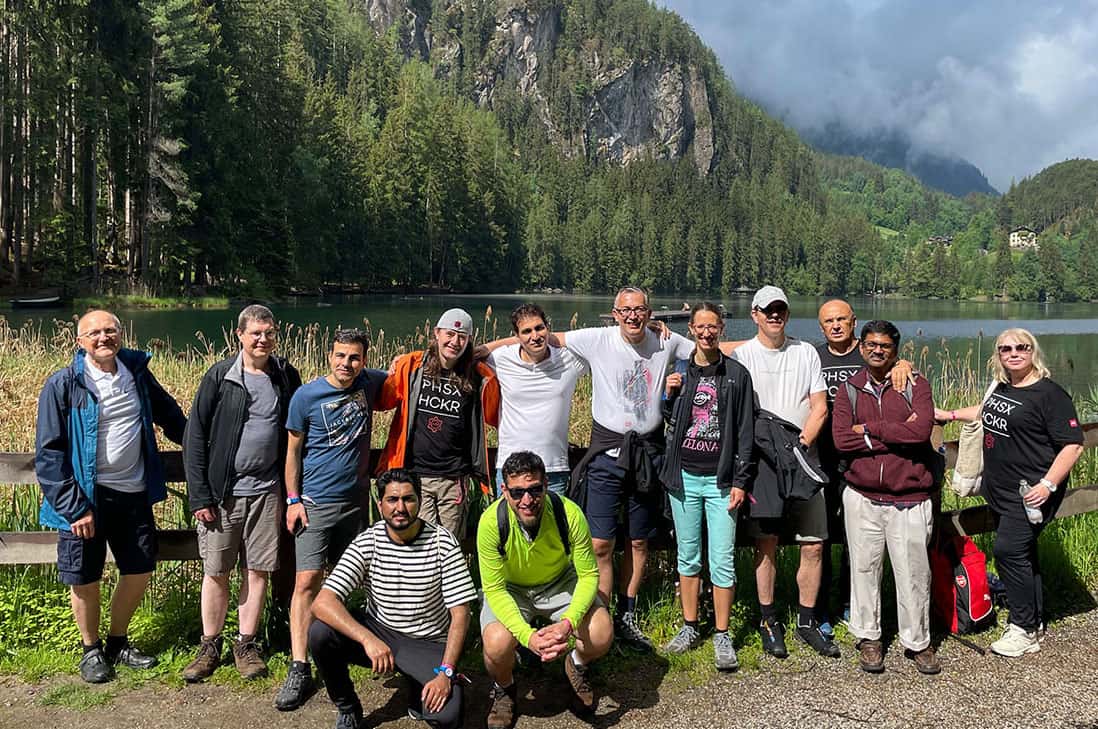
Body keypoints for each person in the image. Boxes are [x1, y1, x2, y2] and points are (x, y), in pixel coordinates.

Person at [35, 309, 186, 683]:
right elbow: (49, 454)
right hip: (86, 500)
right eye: (94, 333)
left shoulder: (136, 373)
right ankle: (91, 650)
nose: (103, 338)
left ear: (121, 334)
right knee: (84, 576)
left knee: (139, 569)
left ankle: (118, 641)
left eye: (110, 330)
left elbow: (169, 414)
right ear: (80, 341)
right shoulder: (64, 384)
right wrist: (74, 508)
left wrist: (204, 448)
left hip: (133, 491)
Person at [554, 286, 694, 649]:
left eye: (640, 310)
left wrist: (768, 345)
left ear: (650, 313)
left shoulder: (667, 342)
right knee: (600, 542)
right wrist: (483, 350)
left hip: (648, 452)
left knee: (639, 539)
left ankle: (627, 614)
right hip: (607, 453)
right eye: (626, 310)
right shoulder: (597, 340)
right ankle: (600, 615)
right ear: (615, 313)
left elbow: (710, 351)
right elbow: (543, 336)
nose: (633, 316)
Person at [936, 328, 1084, 657]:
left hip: (1032, 493)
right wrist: (950, 415)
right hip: (1001, 490)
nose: (1013, 353)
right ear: (998, 355)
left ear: (1034, 352)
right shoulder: (1003, 387)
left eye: (1021, 347)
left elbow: (1073, 446)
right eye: (1005, 349)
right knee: (1024, 554)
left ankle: (1023, 630)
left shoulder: (1050, 395)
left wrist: (1048, 485)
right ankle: (1035, 618)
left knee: (1008, 551)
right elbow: (987, 410)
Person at [181, 305, 302, 681]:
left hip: (267, 490)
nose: (263, 340)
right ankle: (209, 645)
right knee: (216, 571)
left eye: (269, 333)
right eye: (255, 333)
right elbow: (195, 437)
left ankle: (246, 644)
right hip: (223, 493)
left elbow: (298, 432)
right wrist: (200, 495)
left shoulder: (285, 376)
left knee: (258, 570)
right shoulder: (221, 377)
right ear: (240, 335)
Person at [309, 468, 477, 729]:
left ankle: (417, 680)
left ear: (419, 502)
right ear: (380, 505)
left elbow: (460, 613)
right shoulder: (368, 542)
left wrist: (446, 672)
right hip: (381, 631)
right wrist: (368, 639)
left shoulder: (442, 543)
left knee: (447, 716)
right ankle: (348, 707)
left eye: (408, 499)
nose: (401, 507)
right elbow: (322, 602)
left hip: (429, 641)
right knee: (320, 633)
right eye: (392, 500)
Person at [276, 329, 387, 711]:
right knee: (307, 579)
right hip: (314, 503)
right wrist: (293, 499)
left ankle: (357, 648)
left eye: (355, 358)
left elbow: (409, 374)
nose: (347, 364)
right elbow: (292, 452)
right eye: (340, 356)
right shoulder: (305, 397)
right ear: (329, 355)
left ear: (364, 361)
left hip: (355, 503)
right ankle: (299, 664)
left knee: (355, 579)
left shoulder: (370, 384)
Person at [730, 286, 839, 659]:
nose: (775, 315)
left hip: (802, 457)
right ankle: (767, 619)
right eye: (768, 310)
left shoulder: (805, 352)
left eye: (781, 310)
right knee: (767, 545)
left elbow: (819, 406)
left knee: (813, 543)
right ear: (755, 314)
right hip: (762, 462)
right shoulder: (742, 355)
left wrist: (802, 446)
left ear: (787, 315)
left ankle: (807, 621)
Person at [832, 320, 941, 674]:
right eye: (871, 344)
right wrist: (897, 433)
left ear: (896, 350)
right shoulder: (850, 389)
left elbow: (921, 431)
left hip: (909, 497)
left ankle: (918, 642)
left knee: (913, 573)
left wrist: (871, 430)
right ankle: (868, 637)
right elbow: (841, 440)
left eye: (885, 346)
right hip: (862, 496)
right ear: (861, 346)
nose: (877, 350)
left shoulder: (915, 384)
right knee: (863, 569)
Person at [478, 451, 612, 729]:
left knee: (600, 632)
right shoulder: (491, 523)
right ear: (504, 491)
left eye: (534, 490)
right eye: (517, 493)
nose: (527, 500)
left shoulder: (569, 513)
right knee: (495, 642)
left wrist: (568, 622)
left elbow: (588, 575)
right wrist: (527, 637)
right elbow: (494, 588)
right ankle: (504, 687)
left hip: (559, 583)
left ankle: (576, 665)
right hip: (511, 589)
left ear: (546, 484)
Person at [659, 302, 754, 670]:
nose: (706, 332)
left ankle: (722, 633)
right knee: (688, 556)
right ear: (692, 329)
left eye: (712, 326)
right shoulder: (680, 371)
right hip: (683, 478)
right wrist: (668, 396)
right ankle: (688, 626)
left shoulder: (736, 375)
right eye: (700, 326)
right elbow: (669, 421)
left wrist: (740, 480)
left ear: (721, 329)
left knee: (722, 560)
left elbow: (745, 432)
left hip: (721, 481)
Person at [814, 299, 912, 635]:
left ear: (854, 321)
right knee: (823, 536)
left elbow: (899, 366)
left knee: (859, 540)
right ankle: (820, 607)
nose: (836, 325)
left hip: (864, 460)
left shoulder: (871, 351)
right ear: (821, 325)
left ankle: (849, 602)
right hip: (822, 459)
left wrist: (905, 363)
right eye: (829, 321)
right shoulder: (813, 356)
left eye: (842, 319)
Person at [375, 308, 500, 539]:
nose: (455, 342)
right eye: (449, 334)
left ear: (469, 341)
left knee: (450, 547)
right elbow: (384, 399)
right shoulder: (411, 365)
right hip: (415, 475)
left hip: (453, 479)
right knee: (419, 544)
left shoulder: (479, 375)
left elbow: (497, 416)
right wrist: (381, 372)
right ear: (437, 333)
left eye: (462, 337)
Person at [487, 303, 588, 495]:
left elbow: (608, 344)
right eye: (526, 331)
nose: (535, 336)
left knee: (554, 525)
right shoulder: (500, 359)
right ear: (516, 337)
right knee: (509, 525)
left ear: (548, 328)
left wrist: (649, 328)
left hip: (553, 469)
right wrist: (488, 347)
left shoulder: (569, 360)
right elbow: (467, 356)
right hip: (510, 469)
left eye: (539, 328)